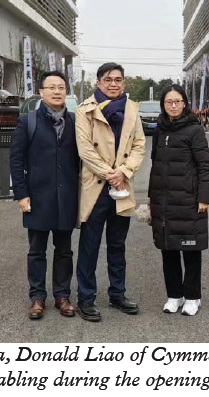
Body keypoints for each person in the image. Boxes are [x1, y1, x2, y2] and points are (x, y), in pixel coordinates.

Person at [75, 62, 146, 321]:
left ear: (123, 83)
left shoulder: (132, 109)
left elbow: (139, 145)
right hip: (96, 186)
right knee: (89, 246)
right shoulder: (86, 110)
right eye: (108, 79)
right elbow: (85, 149)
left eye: (118, 79)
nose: (113, 84)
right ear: (98, 82)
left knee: (117, 245)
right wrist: (110, 174)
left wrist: (123, 173)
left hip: (122, 186)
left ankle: (118, 294)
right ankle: (86, 298)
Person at [10, 70, 80, 320]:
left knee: (64, 250)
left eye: (61, 87)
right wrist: (21, 194)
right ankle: (37, 297)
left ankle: (62, 296)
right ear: (41, 92)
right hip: (38, 196)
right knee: (36, 250)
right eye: (51, 87)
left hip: (68, 197)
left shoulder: (76, 121)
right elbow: (16, 160)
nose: (57, 91)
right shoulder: (28, 121)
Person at [148, 85, 209, 316]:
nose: (173, 106)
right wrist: (150, 196)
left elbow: (205, 165)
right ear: (163, 105)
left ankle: (193, 297)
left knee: (191, 249)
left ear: (184, 103)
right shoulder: (160, 130)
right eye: (168, 102)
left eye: (177, 101)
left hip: (189, 200)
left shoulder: (194, 130)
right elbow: (155, 165)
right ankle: (174, 295)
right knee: (168, 249)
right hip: (163, 200)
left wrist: (204, 197)